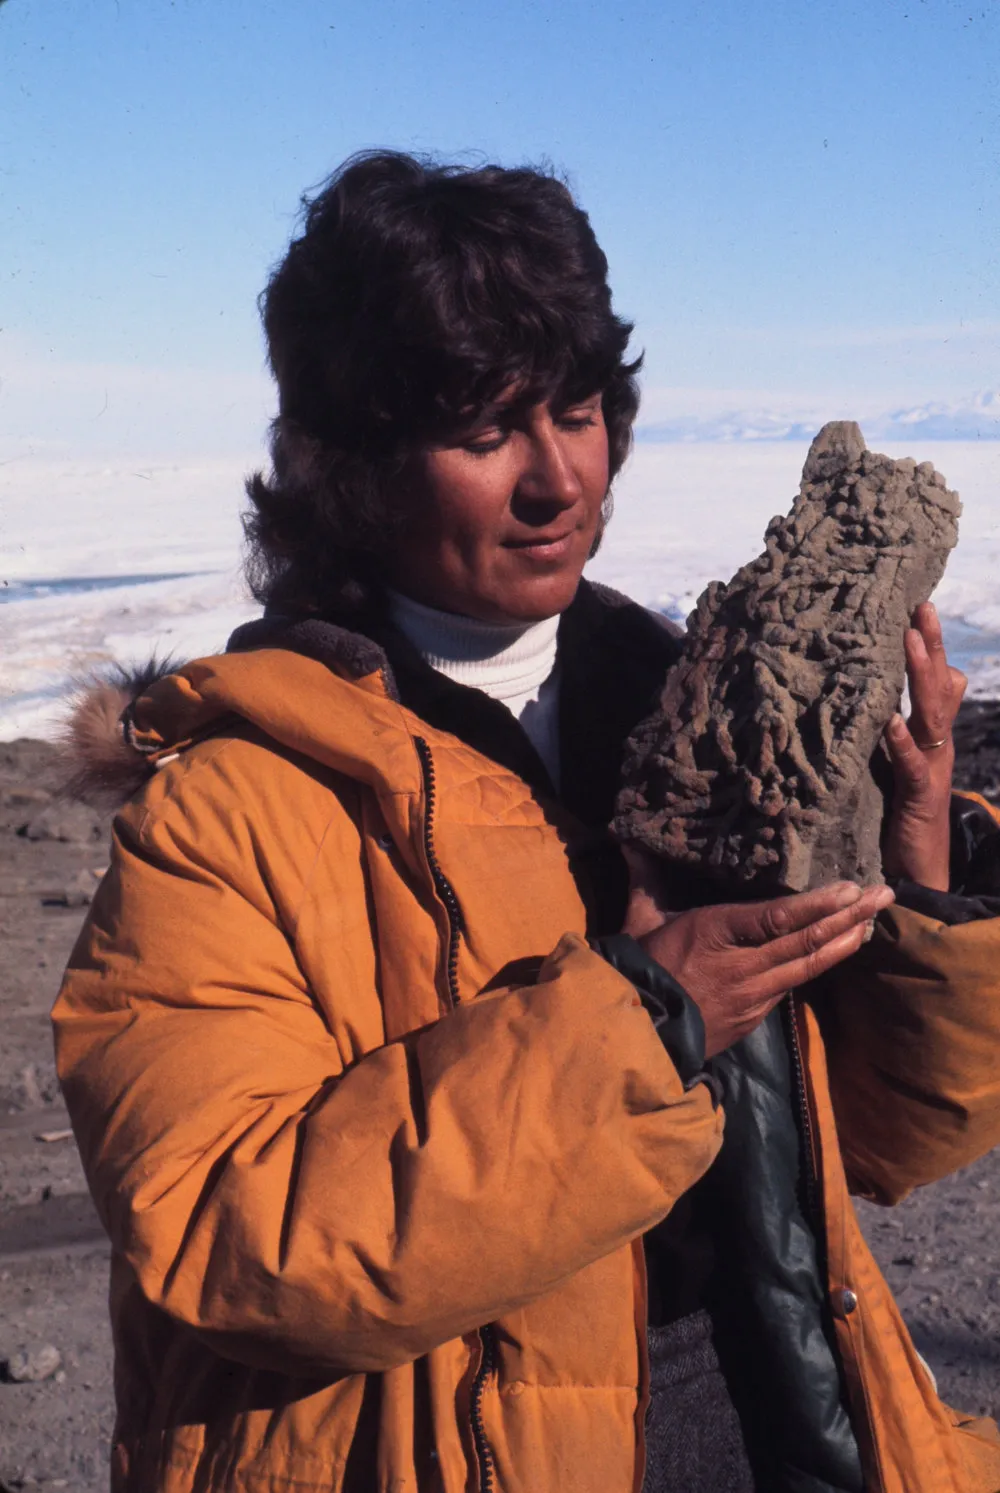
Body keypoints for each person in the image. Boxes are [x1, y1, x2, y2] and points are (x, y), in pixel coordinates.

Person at [53, 152, 1000, 1493]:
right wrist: (644, 1022)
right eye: (486, 432)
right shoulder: (231, 815)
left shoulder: (685, 719)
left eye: (577, 408)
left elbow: (882, 1145)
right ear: (352, 464)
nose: (560, 480)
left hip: (782, 1411)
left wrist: (921, 892)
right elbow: (219, 1236)